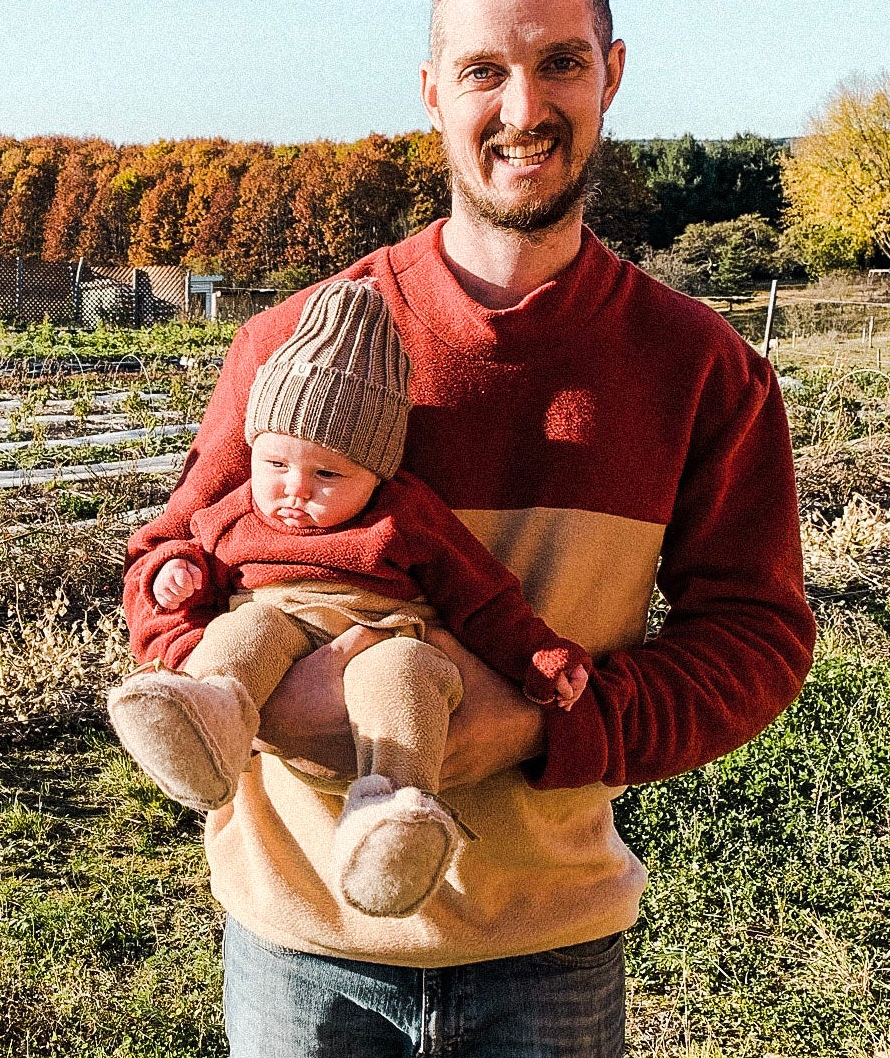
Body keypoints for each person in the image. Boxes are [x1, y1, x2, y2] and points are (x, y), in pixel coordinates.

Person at [121, 0, 815, 1058]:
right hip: (301, 932)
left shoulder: (698, 372)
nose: (525, 102)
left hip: (543, 937)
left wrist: (530, 735)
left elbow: (759, 638)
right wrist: (304, 713)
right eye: (487, 68)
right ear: (432, 91)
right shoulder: (303, 346)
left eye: (559, 62)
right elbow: (170, 593)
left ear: (610, 77)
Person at [108, 276, 591, 919]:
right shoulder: (235, 515)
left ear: (379, 472)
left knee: (407, 679)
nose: (293, 491)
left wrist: (538, 656)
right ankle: (207, 722)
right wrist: (172, 574)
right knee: (240, 636)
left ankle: (392, 817)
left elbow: (483, 596)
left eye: (327, 474)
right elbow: (180, 549)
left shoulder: (405, 517)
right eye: (274, 465)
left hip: (387, 631)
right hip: (276, 613)